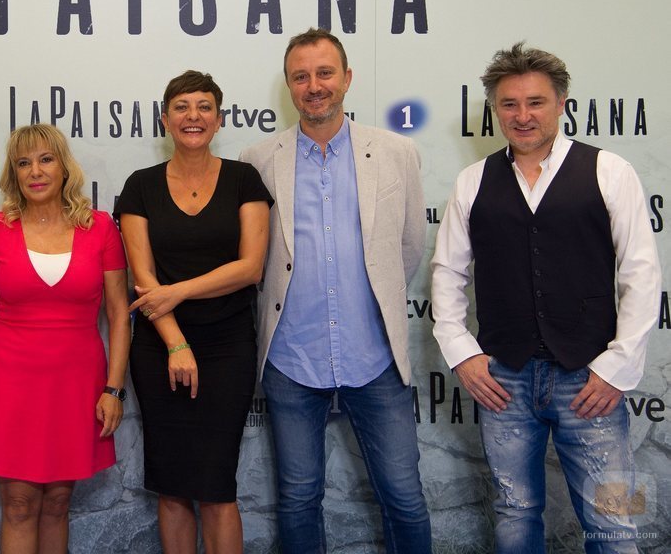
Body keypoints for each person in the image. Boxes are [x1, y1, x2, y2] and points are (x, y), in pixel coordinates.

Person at [431, 43, 661, 553]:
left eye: (535, 102)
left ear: (561, 104)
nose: (522, 115)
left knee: (615, 518)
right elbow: (446, 275)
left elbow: (642, 274)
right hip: (504, 380)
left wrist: (616, 367)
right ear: (496, 110)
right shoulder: (473, 182)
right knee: (514, 514)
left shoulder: (610, 171)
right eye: (510, 104)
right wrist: (463, 355)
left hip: (589, 377)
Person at [240, 28, 431, 553]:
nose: (314, 85)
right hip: (291, 359)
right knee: (299, 499)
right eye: (301, 76)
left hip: (376, 358)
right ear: (289, 86)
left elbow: (407, 248)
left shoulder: (396, 153)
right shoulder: (258, 160)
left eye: (325, 73)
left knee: (405, 496)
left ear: (347, 78)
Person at [116, 71, 271, 554]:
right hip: (160, 346)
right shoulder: (140, 186)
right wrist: (176, 342)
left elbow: (250, 268)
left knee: (217, 485)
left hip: (228, 346)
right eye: (182, 107)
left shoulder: (244, 179)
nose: (193, 116)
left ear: (220, 119)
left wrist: (178, 291)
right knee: (174, 483)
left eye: (204, 106)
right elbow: (144, 282)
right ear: (165, 119)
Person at [0, 123, 131, 554]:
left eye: (45, 159)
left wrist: (114, 389)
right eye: (23, 162)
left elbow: (118, 315)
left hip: (76, 383)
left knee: (57, 501)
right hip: (10, 382)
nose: (35, 171)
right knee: (17, 503)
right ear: (13, 173)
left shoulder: (102, 228)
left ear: (64, 167)